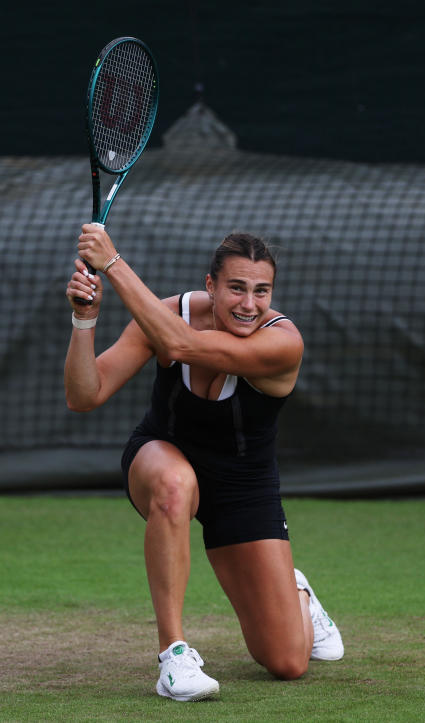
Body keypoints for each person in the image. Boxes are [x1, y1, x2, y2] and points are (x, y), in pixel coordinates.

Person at [64, 224, 343, 702]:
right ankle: (173, 657)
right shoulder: (171, 313)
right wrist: (85, 321)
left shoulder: (283, 343)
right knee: (175, 484)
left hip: (243, 487)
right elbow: (84, 394)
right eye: (236, 287)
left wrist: (112, 264)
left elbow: (180, 346)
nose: (249, 304)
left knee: (287, 662)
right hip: (162, 457)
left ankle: (296, 592)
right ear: (210, 285)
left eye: (261, 291)